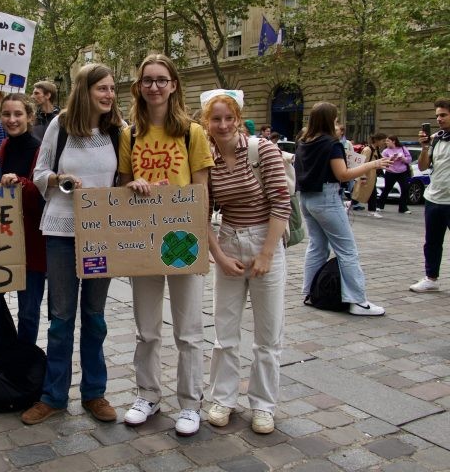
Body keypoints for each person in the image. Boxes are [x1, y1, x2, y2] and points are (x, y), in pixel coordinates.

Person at [21, 63, 123, 425]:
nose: (110, 95)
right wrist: (59, 178)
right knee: (61, 319)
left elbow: (126, 178)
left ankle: (95, 393)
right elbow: (39, 175)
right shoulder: (60, 125)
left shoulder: (117, 130)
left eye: (112, 89)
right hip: (62, 233)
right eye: (102, 89)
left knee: (95, 318)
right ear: (85, 90)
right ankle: (53, 396)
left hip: (101, 235)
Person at [118, 55, 213, 436]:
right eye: (147, 81)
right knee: (147, 328)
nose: (154, 87)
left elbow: (201, 190)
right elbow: (122, 186)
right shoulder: (130, 135)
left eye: (161, 80)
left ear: (174, 84)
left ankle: (190, 403)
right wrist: (135, 185)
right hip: (143, 239)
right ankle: (148, 394)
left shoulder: (193, 132)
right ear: (138, 87)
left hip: (182, 238)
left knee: (188, 329)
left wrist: (173, 198)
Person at [200, 89, 290, 435]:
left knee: (268, 334)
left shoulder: (261, 149)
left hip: (265, 237)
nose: (223, 125)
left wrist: (267, 253)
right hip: (229, 240)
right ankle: (223, 397)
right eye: (216, 118)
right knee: (225, 331)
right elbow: (202, 214)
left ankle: (263, 405)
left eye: (228, 118)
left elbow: (281, 203)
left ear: (238, 119)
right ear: (206, 122)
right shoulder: (207, 158)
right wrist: (219, 256)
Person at [294, 102, 392, 316]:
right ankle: (357, 301)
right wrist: (372, 165)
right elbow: (343, 174)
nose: (339, 125)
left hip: (307, 199)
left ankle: (311, 292)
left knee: (317, 246)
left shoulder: (303, 142)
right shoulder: (331, 144)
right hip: (327, 199)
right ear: (329, 120)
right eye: (337, 120)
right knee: (347, 250)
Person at [0, 93, 46, 347]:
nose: (12, 119)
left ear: (29, 117)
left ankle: (24, 361)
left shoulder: (42, 150)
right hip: (0, 242)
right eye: (6, 114)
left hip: (32, 244)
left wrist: (20, 183)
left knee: (28, 311)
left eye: (18, 114)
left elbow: (43, 196)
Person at [411, 99, 450, 293]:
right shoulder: (437, 139)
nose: (439, 119)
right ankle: (431, 278)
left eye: (443, 115)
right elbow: (423, 167)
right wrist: (425, 147)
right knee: (432, 241)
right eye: (437, 115)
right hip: (434, 198)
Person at [351, 133, 387, 218]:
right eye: (383, 141)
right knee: (359, 193)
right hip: (367, 174)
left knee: (370, 193)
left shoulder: (376, 149)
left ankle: (371, 210)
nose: (384, 143)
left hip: (372, 175)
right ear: (377, 140)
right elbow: (362, 163)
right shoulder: (368, 150)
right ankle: (350, 204)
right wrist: (363, 176)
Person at [378, 135, 412, 214]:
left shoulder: (403, 148)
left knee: (405, 189)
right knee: (387, 189)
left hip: (402, 172)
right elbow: (382, 160)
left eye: (388, 141)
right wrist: (391, 159)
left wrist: (403, 158)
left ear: (394, 141)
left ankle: (403, 208)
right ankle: (379, 205)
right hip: (391, 172)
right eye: (386, 141)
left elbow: (409, 159)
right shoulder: (386, 151)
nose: (386, 143)